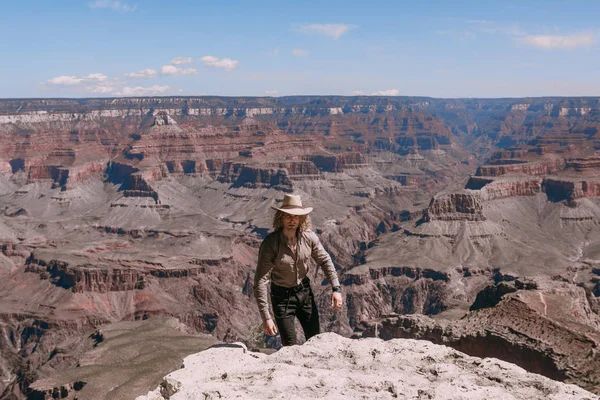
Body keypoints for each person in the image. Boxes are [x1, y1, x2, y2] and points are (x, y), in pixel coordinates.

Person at [254, 194, 343, 346]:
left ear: (302, 219)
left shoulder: (309, 238)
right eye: (288, 215)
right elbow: (261, 280)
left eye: (296, 216)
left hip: (304, 293)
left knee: (315, 340)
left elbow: (324, 260)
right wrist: (266, 318)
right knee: (290, 345)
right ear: (281, 217)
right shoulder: (271, 244)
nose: (292, 220)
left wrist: (336, 288)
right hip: (281, 298)